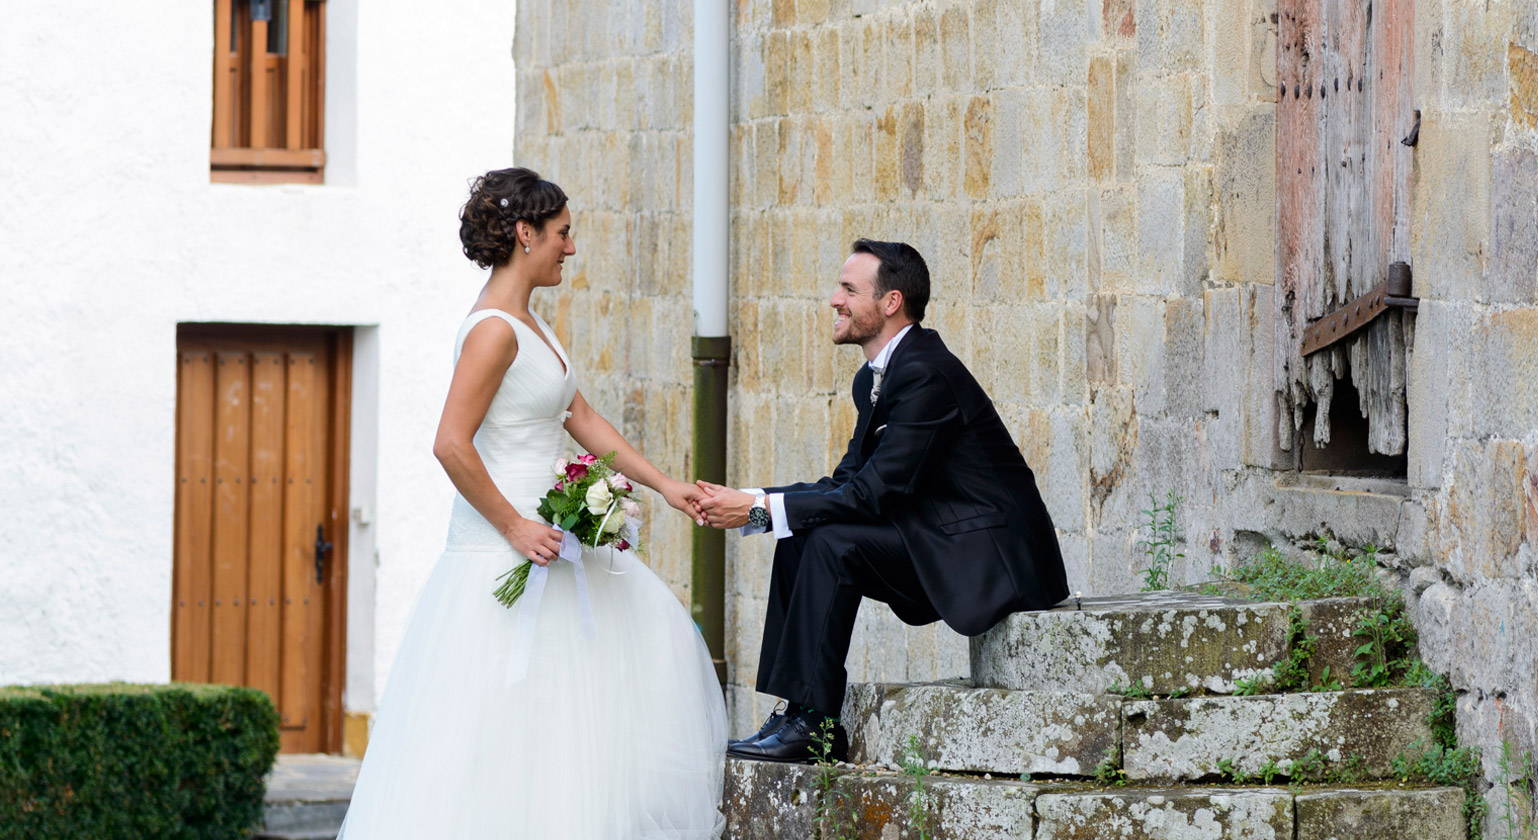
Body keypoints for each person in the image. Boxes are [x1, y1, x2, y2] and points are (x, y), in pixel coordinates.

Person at [338, 168, 726, 839]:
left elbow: (581, 417)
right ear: (525, 233)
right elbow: (451, 443)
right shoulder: (494, 331)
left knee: (587, 701)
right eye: (562, 233)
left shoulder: (531, 323)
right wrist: (515, 526)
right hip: (505, 549)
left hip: (555, 539)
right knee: (502, 722)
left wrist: (665, 485)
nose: (570, 248)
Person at [698, 239, 1069, 763]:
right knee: (799, 535)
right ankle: (801, 714)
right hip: (934, 534)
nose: (835, 300)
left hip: (990, 557)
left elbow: (872, 495)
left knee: (831, 542)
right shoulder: (876, 378)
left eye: (849, 290)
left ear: (891, 301)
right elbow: (849, 481)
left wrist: (759, 509)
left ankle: (814, 726)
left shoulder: (925, 373)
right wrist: (754, 501)